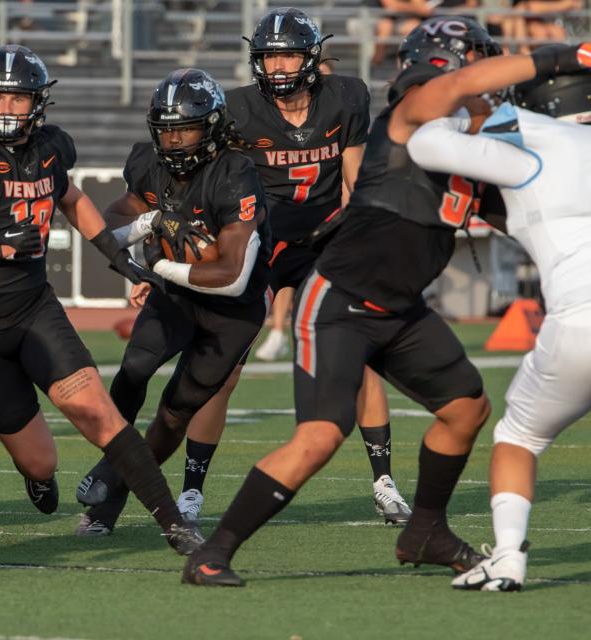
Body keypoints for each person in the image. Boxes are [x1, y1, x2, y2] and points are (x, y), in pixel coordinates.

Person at [182, 16, 504, 587]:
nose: (484, 75)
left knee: (466, 408)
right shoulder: (414, 112)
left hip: (398, 304)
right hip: (340, 296)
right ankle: (214, 551)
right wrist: (561, 59)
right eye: (474, 62)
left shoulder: (467, 135)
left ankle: (424, 528)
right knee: (320, 435)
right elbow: (433, 99)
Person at [0, 44, 202, 554]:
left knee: (98, 413)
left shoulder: (51, 147)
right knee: (40, 462)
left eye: (18, 99)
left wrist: (119, 258)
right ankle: (38, 475)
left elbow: (70, 198)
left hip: (32, 308)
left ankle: (174, 523)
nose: (7, 109)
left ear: (37, 104)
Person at [404, 45, 591, 591]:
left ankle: (508, 557)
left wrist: (469, 114)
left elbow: (423, 140)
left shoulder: (529, 148)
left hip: (581, 322)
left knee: (519, 436)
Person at [216, 8, 410, 524]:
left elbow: (355, 180)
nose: (279, 66)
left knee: (362, 356)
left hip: (325, 237)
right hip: (263, 241)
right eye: (270, 56)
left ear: (310, 58)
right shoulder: (236, 109)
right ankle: (192, 488)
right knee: (224, 366)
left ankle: (384, 482)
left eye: (288, 55)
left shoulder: (344, 97)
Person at [73, 68, 273, 535]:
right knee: (133, 371)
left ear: (214, 127)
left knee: (175, 411)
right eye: (167, 130)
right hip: (178, 296)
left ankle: (113, 489)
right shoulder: (149, 164)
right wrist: (152, 221)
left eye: (186, 128)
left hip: (232, 312)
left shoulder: (235, 172)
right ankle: (110, 472)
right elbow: (108, 229)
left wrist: (156, 267)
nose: (176, 140)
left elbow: (230, 277)